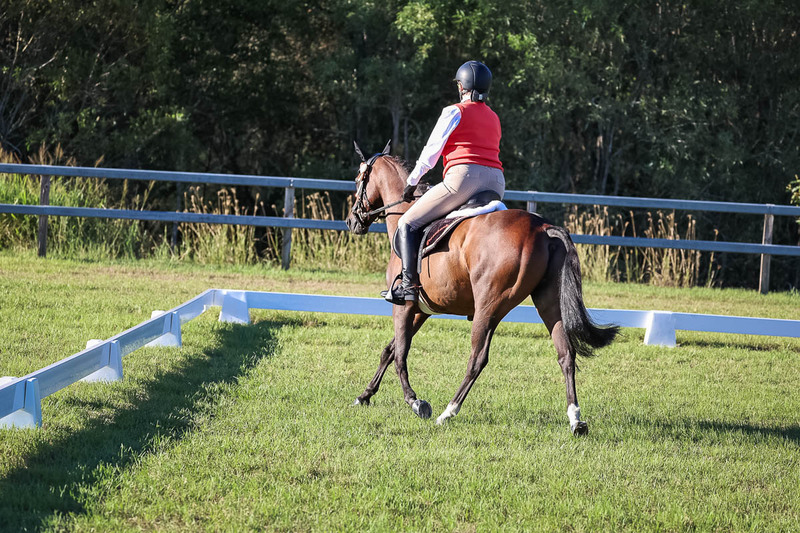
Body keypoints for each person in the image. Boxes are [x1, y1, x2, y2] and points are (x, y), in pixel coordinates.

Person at [384, 60, 505, 304]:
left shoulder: (454, 111)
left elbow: (431, 152)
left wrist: (412, 181)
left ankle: (408, 286)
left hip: (463, 179)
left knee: (407, 222)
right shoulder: (494, 117)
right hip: (496, 182)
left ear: (462, 86)